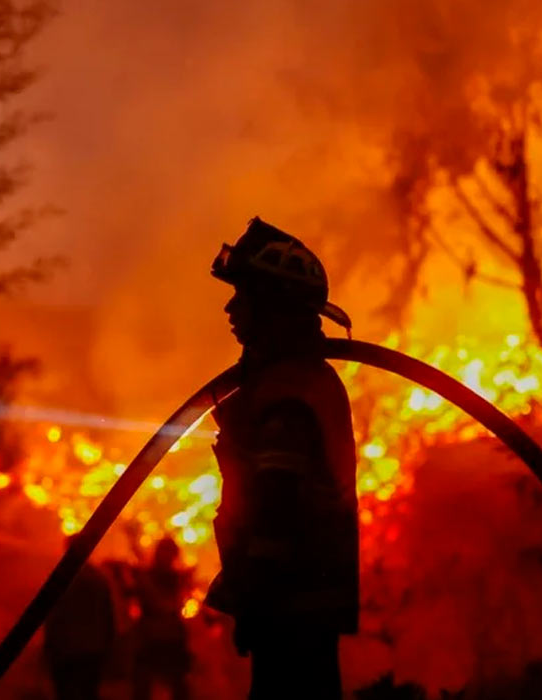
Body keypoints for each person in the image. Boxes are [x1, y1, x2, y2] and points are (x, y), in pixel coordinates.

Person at [204, 217, 359, 699]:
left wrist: (255, 596)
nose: (231, 307)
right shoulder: (295, 379)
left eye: (242, 295)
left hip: (289, 605)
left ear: (271, 308)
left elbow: (276, 510)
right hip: (300, 605)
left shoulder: (286, 395)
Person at [42, 532, 117, 700]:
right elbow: (108, 615)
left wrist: (49, 644)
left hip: (66, 649)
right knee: (88, 693)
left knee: (65, 693)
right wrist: (108, 644)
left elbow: (53, 614)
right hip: (92, 649)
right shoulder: (99, 578)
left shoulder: (61, 577)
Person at [130, 537, 192, 700]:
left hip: (170, 640)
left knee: (178, 686)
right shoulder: (147, 577)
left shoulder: (175, 578)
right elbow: (160, 605)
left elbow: (174, 606)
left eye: (171, 554)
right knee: (144, 687)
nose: (168, 558)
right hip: (151, 639)